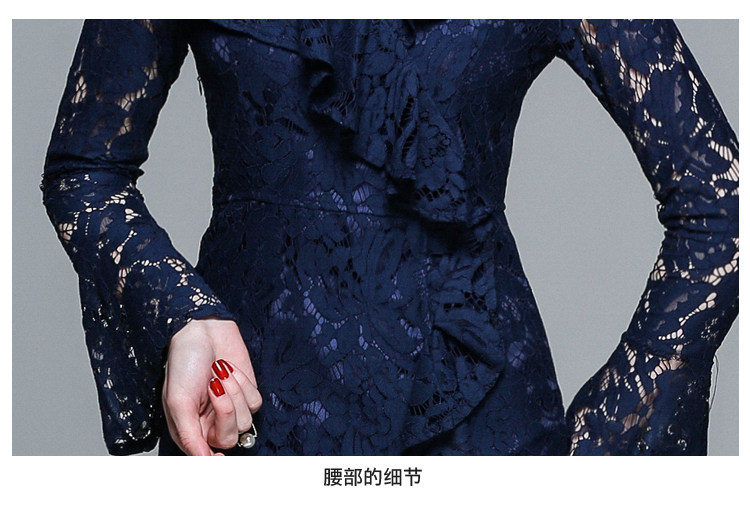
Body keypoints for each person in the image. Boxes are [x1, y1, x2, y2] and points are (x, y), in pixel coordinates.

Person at [41, 19, 739, 456]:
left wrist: (616, 425)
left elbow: (721, 200)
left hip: (482, 429)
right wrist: (184, 314)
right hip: (248, 418)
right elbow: (85, 172)